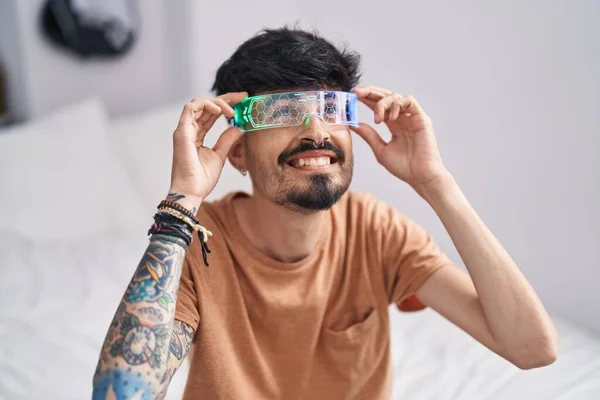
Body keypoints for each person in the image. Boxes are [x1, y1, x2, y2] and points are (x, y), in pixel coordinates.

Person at [92, 27, 559, 400]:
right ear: (237, 150)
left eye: (331, 108)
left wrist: (435, 184)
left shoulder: (374, 230)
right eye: (282, 111)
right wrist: (182, 200)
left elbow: (532, 350)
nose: (316, 130)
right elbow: (121, 394)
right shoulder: (198, 241)